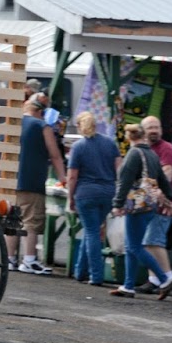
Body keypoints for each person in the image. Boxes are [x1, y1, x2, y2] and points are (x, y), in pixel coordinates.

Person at [109, 131, 172, 298]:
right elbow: (162, 178)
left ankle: (164, 279)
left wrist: (117, 204)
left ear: (129, 138)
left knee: (134, 247)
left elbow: (124, 180)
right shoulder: (153, 154)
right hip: (150, 205)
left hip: (137, 205)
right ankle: (128, 286)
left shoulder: (134, 153)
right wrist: (169, 198)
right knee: (131, 246)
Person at [6, 92, 67, 275]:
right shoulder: (43, 126)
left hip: (9, 179)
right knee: (31, 221)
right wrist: (63, 178)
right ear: (42, 111)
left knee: (11, 221)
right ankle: (29, 260)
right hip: (32, 180)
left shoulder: (11, 123)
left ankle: (9, 259)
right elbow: (55, 155)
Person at [65, 111, 119, 286]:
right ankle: (80, 271)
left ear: (80, 126)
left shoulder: (78, 147)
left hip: (86, 194)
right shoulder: (110, 144)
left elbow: (72, 176)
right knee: (93, 230)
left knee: (91, 232)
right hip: (107, 194)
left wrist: (70, 197)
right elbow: (120, 169)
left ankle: (96, 276)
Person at [134, 115, 172, 293]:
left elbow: (167, 173)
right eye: (150, 127)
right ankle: (154, 279)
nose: (154, 130)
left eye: (156, 127)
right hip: (148, 204)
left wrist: (157, 193)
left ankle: (168, 276)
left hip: (161, 205)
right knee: (148, 242)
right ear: (143, 131)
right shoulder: (144, 149)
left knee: (154, 241)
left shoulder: (165, 148)